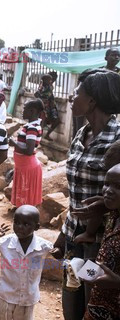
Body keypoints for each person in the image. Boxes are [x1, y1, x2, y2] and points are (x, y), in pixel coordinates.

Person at [51, 69, 120, 320]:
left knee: (93, 300)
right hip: (75, 237)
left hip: (100, 242)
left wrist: (101, 206)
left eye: (77, 92)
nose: (71, 97)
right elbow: (76, 194)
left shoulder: (118, 138)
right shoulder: (81, 134)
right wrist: (63, 233)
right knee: (71, 294)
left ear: (92, 101)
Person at [0, 205, 53, 320]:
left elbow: (59, 253)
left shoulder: (43, 246)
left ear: (36, 227)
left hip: (28, 299)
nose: (20, 227)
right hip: (6, 296)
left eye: (26, 224)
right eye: (16, 223)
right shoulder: (5, 242)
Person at [83, 163, 120, 320]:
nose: (108, 190)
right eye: (106, 184)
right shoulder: (113, 215)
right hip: (98, 306)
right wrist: (86, 271)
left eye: (118, 186)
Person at [9, 99, 44, 208]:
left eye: (24, 109)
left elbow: (29, 151)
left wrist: (13, 143)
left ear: (32, 111)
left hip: (27, 169)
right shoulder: (31, 125)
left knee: (26, 203)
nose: (22, 111)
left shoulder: (32, 127)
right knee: (25, 203)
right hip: (24, 167)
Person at [34, 74, 59, 140]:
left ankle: (39, 137)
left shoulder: (41, 87)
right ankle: (39, 138)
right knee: (42, 122)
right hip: (46, 108)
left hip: (46, 107)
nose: (51, 81)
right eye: (50, 80)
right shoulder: (47, 87)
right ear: (46, 80)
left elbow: (36, 94)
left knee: (42, 122)